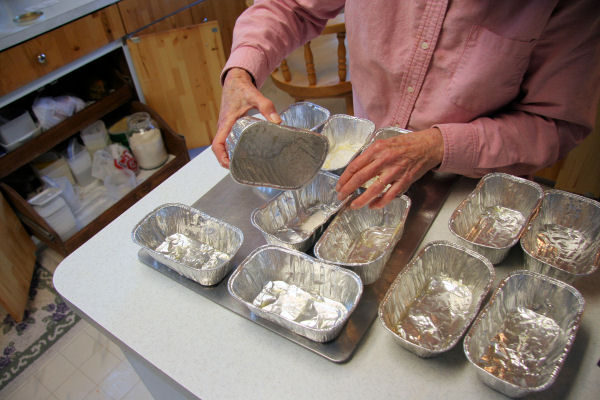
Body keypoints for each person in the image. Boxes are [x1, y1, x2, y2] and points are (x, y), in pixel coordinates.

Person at [212, 0, 600, 209]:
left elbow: (553, 124)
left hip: (471, 190)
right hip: (362, 164)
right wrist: (241, 70)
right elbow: (291, 6)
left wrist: (438, 145)